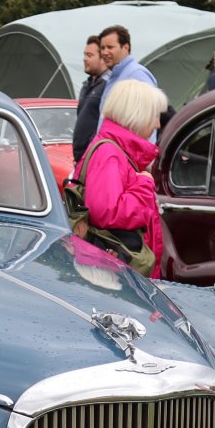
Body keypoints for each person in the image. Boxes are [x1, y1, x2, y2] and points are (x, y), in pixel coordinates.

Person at [72, 78, 168, 278]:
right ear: (138, 115)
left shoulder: (114, 150)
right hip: (114, 272)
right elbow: (107, 212)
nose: (158, 123)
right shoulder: (111, 153)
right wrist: (144, 183)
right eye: (155, 116)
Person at [72, 35, 108, 163]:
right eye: (85, 55)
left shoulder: (107, 87)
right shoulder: (86, 86)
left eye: (89, 55)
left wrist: (91, 150)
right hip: (80, 159)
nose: (85, 59)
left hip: (94, 158)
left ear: (102, 58)